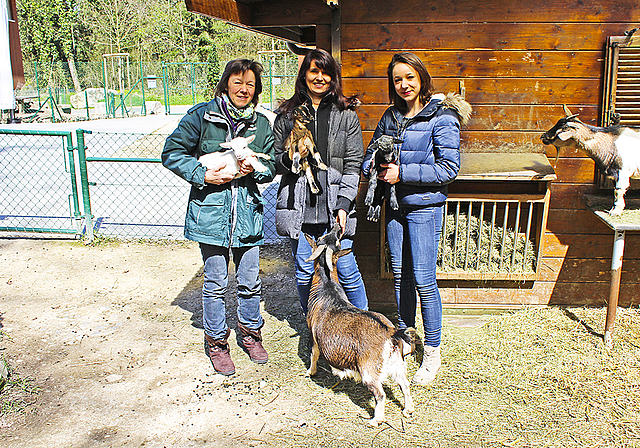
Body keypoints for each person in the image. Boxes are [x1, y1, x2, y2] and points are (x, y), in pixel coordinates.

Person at [162, 59, 276, 376]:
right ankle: (217, 342)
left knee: (250, 281)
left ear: (257, 89)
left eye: (250, 84)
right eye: (238, 82)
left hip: (249, 216)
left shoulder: (261, 125)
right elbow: (172, 153)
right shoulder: (201, 116)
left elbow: (273, 166)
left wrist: (259, 169)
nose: (244, 89)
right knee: (215, 281)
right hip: (211, 216)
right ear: (226, 83)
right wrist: (202, 174)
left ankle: (251, 334)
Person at [362, 52, 471, 385]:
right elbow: (370, 151)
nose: (404, 84)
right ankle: (407, 335)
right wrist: (372, 168)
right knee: (399, 274)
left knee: (424, 279)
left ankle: (433, 350)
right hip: (395, 205)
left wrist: (402, 172)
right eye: (397, 79)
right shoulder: (392, 116)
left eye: (409, 77)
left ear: (421, 77)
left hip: (424, 206)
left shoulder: (441, 117)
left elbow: (449, 169)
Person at [273, 48, 368, 313]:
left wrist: (344, 204)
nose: (320, 77)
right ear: (304, 75)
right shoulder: (287, 115)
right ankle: (316, 330)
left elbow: (352, 166)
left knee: (347, 270)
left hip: (335, 210)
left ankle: (364, 326)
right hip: (299, 210)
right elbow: (272, 161)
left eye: (326, 72)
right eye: (314, 71)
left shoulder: (346, 114)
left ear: (333, 77)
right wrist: (289, 159)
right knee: (305, 273)